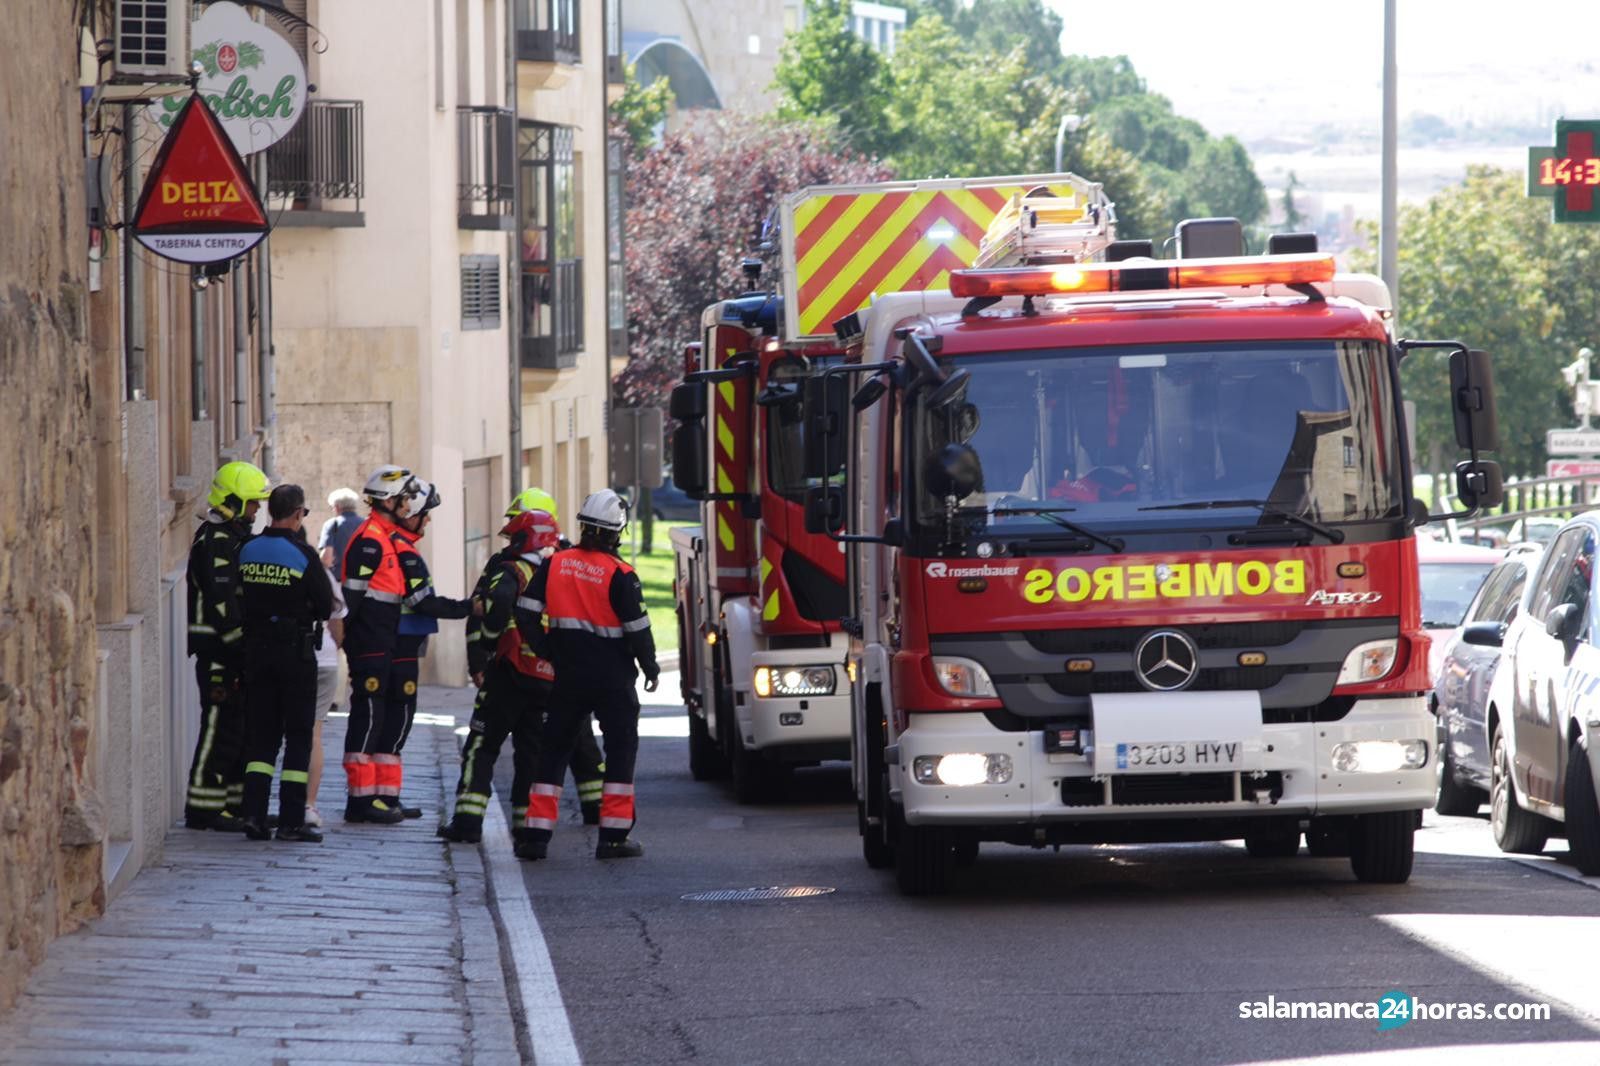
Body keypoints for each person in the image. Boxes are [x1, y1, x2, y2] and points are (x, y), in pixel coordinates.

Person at [440, 504, 605, 844]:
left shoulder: (511, 571)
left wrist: (486, 646)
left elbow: (498, 605)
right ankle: (525, 824)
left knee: (482, 747)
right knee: (531, 752)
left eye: (515, 536)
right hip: (548, 679)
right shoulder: (563, 574)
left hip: (509, 673)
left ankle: (468, 823)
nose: (510, 543)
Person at [515, 489, 659, 862]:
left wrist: (547, 650)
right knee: (620, 753)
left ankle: (535, 838)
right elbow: (638, 630)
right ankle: (612, 839)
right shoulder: (622, 574)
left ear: (584, 526)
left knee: (552, 752)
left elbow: (526, 612)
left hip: (567, 676)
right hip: (613, 680)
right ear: (617, 532)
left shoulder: (555, 564)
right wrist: (651, 668)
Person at [237, 485, 335, 842]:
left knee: (261, 738)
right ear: (296, 514)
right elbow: (325, 606)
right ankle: (292, 820)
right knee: (297, 736)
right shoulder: (303, 554)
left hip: (256, 651)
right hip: (294, 653)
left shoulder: (247, 550)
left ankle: (253, 815)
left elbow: (238, 597)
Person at [378, 477, 477, 818]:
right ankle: (384, 797)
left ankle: (384, 796)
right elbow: (422, 602)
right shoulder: (403, 551)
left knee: (392, 721)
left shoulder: (398, 545)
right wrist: (468, 607)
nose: (429, 521)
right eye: (426, 514)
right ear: (412, 513)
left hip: (397, 645)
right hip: (401, 649)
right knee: (398, 720)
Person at [184, 460, 271, 831]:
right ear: (233, 501)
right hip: (219, 652)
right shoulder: (216, 542)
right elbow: (224, 604)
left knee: (237, 729)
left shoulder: (234, 539)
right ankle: (203, 808)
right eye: (252, 503)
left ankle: (231, 805)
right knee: (218, 728)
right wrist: (242, 647)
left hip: (234, 652)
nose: (255, 511)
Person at [339, 465, 422, 824]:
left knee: (380, 718)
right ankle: (360, 801)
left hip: (382, 642)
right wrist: (348, 645)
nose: (408, 507)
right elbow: (349, 602)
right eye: (404, 499)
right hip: (369, 644)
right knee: (367, 719)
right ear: (388, 500)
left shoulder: (385, 536)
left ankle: (381, 798)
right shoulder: (371, 540)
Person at [305, 532, 348, 829]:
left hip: (289, 656)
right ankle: (308, 805)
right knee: (313, 736)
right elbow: (337, 623)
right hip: (324, 659)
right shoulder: (321, 574)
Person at [318, 487, 363, 576]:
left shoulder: (332, 524)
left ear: (337, 507)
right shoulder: (366, 524)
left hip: (339, 578)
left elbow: (326, 558)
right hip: (364, 579)